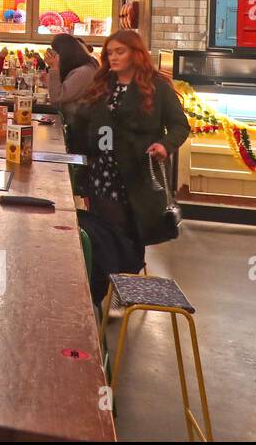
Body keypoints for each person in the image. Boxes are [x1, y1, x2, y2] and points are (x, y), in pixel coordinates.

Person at [78, 30, 191, 302]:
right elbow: (86, 120)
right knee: (105, 233)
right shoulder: (104, 83)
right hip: (102, 172)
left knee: (130, 233)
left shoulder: (156, 86)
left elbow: (179, 125)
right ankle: (104, 288)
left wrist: (164, 145)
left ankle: (123, 288)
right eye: (109, 53)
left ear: (135, 53)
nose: (113, 57)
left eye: (120, 51)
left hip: (137, 175)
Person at [45, 33, 98, 136]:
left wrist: (54, 68)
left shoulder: (83, 72)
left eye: (56, 53)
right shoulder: (82, 68)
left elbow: (57, 97)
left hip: (80, 129)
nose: (56, 56)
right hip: (75, 125)